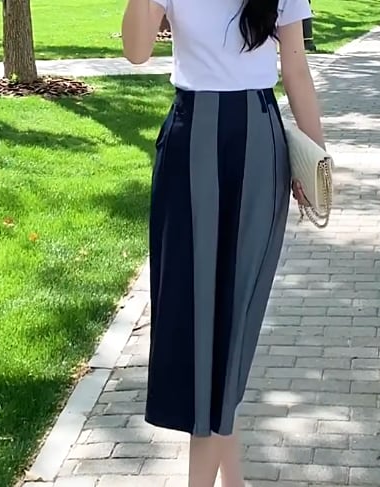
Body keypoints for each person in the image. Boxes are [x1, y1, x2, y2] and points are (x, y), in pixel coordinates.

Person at [122, 1, 325, 486]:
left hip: (256, 144)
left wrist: (317, 162)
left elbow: (296, 70)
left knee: (233, 324)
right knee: (194, 324)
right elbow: (136, 51)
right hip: (189, 142)